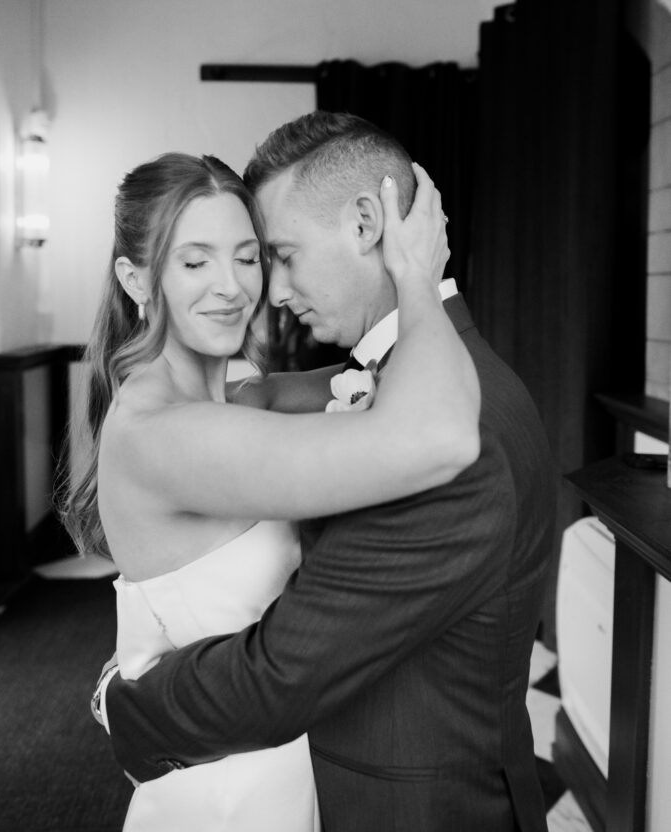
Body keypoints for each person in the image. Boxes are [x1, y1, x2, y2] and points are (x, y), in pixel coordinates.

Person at [101, 112, 557, 832]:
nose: (263, 290)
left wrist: (124, 701)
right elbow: (295, 398)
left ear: (367, 223)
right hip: (246, 787)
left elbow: (280, 676)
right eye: (196, 261)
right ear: (137, 276)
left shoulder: (445, 419)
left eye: (266, 254)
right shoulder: (179, 426)